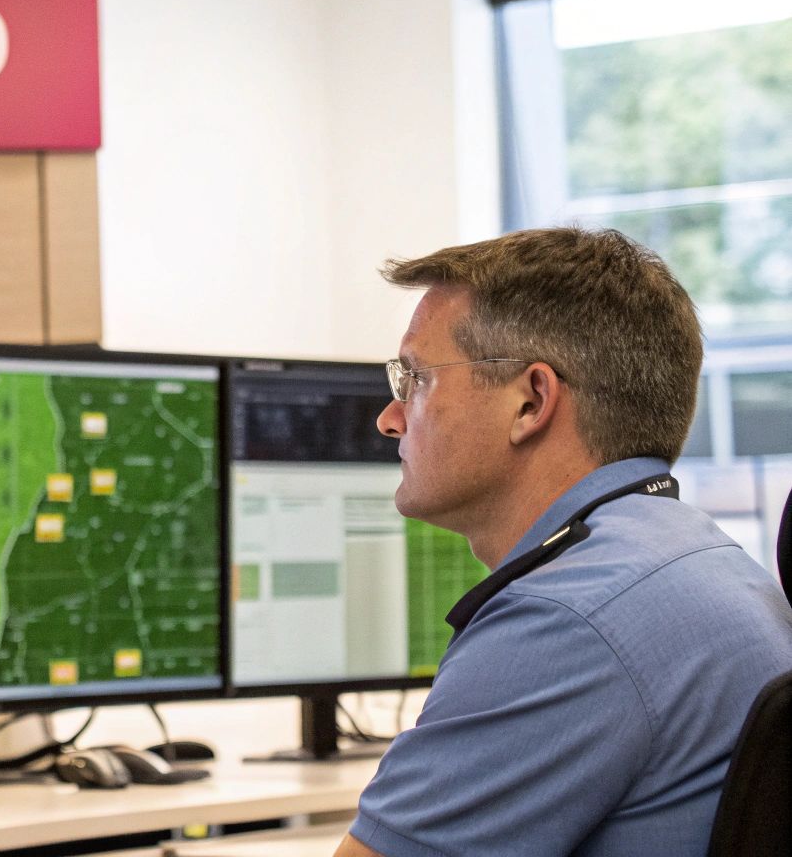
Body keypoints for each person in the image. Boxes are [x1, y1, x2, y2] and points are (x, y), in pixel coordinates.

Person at [334, 227, 792, 857]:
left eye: (415, 378)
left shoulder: (564, 622)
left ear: (531, 401)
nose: (389, 417)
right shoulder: (708, 561)